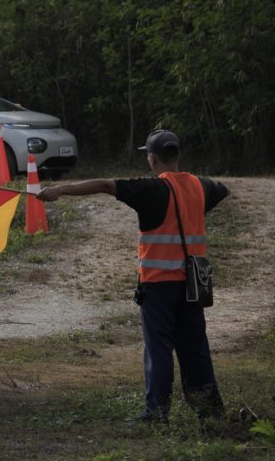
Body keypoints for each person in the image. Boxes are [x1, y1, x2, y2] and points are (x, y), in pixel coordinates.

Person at [37, 129, 228, 424]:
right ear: (177, 156)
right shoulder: (202, 187)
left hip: (159, 284)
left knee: (159, 348)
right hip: (194, 283)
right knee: (195, 348)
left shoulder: (151, 190)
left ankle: (156, 413)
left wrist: (60, 190)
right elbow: (224, 190)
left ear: (152, 158)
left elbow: (104, 184)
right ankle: (209, 411)